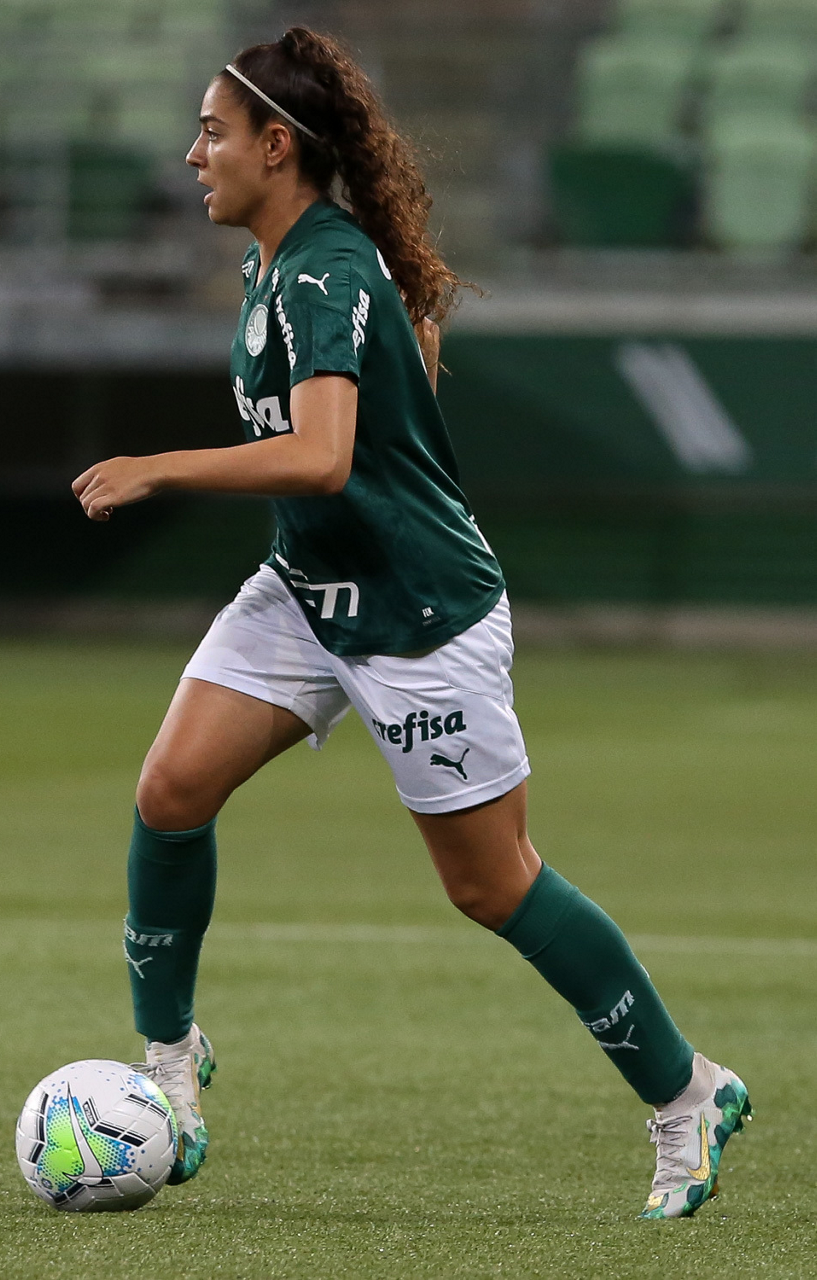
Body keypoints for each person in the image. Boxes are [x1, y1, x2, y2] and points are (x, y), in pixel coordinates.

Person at [72, 27, 750, 1218]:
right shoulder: (286, 263)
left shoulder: (321, 271)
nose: (192, 154)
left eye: (214, 132)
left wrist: (158, 467)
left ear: (277, 147)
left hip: (418, 613)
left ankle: (689, 1090)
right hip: (308, 589)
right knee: (171, 791)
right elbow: (400, 393)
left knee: (493, 885)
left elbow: (325, 456)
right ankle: (169, 1065)